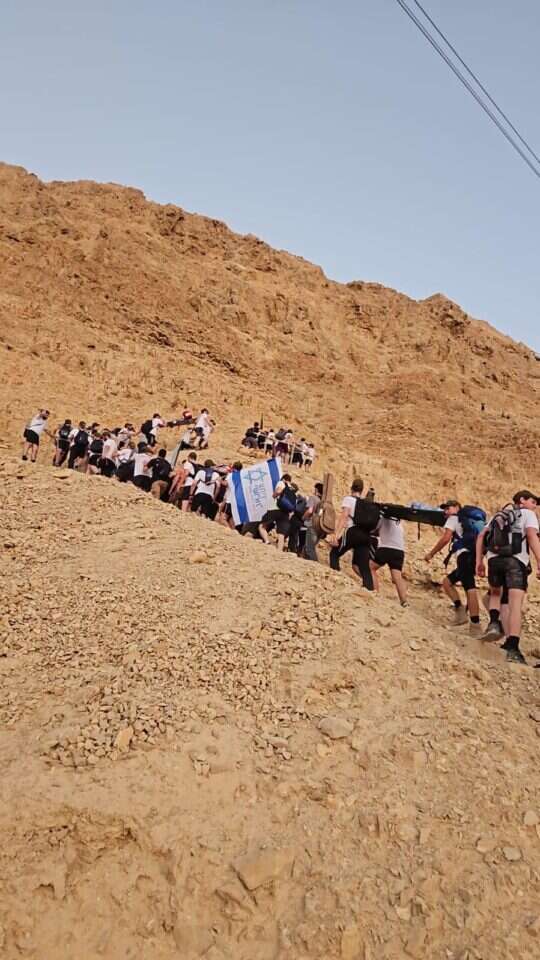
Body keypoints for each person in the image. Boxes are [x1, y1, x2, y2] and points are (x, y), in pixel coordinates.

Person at [476, 490, 540, 663]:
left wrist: (479, 562)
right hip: (515, 560)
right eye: (533, 502)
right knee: (514, 604)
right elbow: (532, 536)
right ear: (522, 500)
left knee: (496, 594)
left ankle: (494, 622)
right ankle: (512, 646)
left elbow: (481, 536)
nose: (535, 506)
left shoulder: (499, 514)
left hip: (494, 560)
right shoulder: (528, 514)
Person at [424, 500, 482, 636]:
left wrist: (431, 553)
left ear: (457, 507)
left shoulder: (454, 519)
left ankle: (475, 625)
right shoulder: (468, 521)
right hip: (472, 556)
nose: (446, 512)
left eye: (448, 508)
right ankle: (461, 613)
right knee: (447, 582)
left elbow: (445, 538)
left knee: (470, 588)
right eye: (444, 509)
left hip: (464, 556)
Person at [328, 478, 377, 590]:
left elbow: (344, 516)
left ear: (351, 488)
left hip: (353, 532)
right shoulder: (365, 503)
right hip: (365, 536)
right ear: (362, 490)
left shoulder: (349, 499)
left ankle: (335, 579)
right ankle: (369, 590)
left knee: (334, 553)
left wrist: (336, 534)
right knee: (364, 567)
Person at [370, 516, 408, 606]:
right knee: (397, 577)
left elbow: (374, 531)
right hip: (399, 551)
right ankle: (404, 602)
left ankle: (376, 593)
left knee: (371, 567)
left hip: (385, 548)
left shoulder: (382, 518)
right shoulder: (399, 522)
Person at [259, 473, 296, 551]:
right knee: (281, 534)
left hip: (275, 509)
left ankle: (267, 542)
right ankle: (279, 551)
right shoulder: (292, 489)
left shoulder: (281, 483)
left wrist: (274, 495)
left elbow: (278, 491)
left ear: (283, 479)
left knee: (262, 526)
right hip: (285, 512)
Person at [303, 482, 323, 561]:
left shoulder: (313, 498)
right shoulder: (323, 501)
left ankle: (315, 564)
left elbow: (310, 511)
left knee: (309, 548)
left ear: (317, 490)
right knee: (309, 546)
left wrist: (303, 517)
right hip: (320, 528)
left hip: (312, 525)